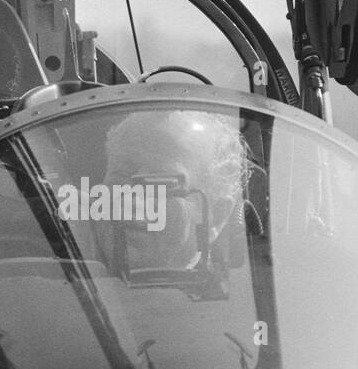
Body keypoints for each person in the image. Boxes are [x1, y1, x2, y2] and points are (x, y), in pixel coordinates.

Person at [99, 109, 250, 275]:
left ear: (216, 215)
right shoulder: (68, 283)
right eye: (120, 176)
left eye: (161, 183)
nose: (131, 201)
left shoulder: (249, 299)